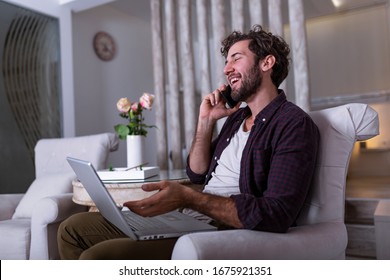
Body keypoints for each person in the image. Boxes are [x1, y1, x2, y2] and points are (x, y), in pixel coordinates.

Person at [57, 25, 319, 259]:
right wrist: (206, 122)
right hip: (189, 218)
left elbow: (277, 214)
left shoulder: (292, 124)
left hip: (221, 229)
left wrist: (190, 199)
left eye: (236, 59)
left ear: (266, 63)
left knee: (99, 256)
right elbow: (197, 172)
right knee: (72, 228)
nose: (227, 69)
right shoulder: (236, 118)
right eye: (226, 62)